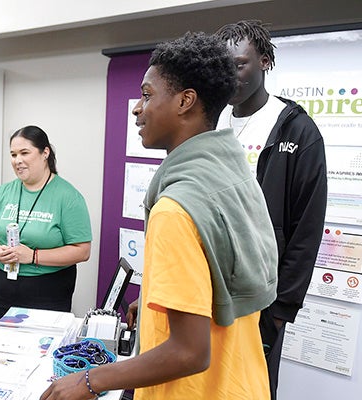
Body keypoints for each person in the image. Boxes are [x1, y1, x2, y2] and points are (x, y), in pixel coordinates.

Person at [42, 32, 278, 400]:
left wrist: (91, 380)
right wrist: (155, 296)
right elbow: (219, 279)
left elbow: (189, 351)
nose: (137, 108)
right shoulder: (231, 177)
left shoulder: (176, 209)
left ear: (186, 101)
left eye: (148, 95)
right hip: (242, 381)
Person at [215, 20, 328, 400]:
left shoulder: (297, 132)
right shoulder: (210, 122)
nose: (230, 75)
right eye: (223, 64)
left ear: (264, 62)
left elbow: (307, 229)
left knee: (251, 389)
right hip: (209, 287)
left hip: (262, 301)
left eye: (240, 64)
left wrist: (281, 309)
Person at [0, 125, 91, 329]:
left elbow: (82, 251)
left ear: (45, 152)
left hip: (47, 290)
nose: (17, 160)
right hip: (0, 285)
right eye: (13, 154)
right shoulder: (3, 192)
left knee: (39, 354)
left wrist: (32, 256)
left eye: (24, 153)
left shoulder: (68, 197)